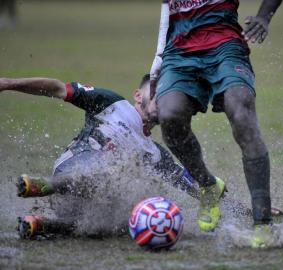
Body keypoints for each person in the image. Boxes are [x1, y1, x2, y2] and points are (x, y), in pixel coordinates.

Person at [148, 0, 283, 248]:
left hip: (225, 46)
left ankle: (263, 223)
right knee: (169, 116)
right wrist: (155, 70)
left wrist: (265, 17)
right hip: (179, 52)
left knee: (242, 116)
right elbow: (165, 16)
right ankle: (208, 186)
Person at [0, 75, 200, 239]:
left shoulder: (155, 153)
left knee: (121, 222)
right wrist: (8, 84)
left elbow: (190, 184)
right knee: (109, 174)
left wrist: (224, 204)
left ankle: (43, 225)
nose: (160, 101)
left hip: (83, 203)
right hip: (71, 171)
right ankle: (44, 184)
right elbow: (58, 89)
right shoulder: (112, 104)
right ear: (138, 95)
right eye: (156, 93)